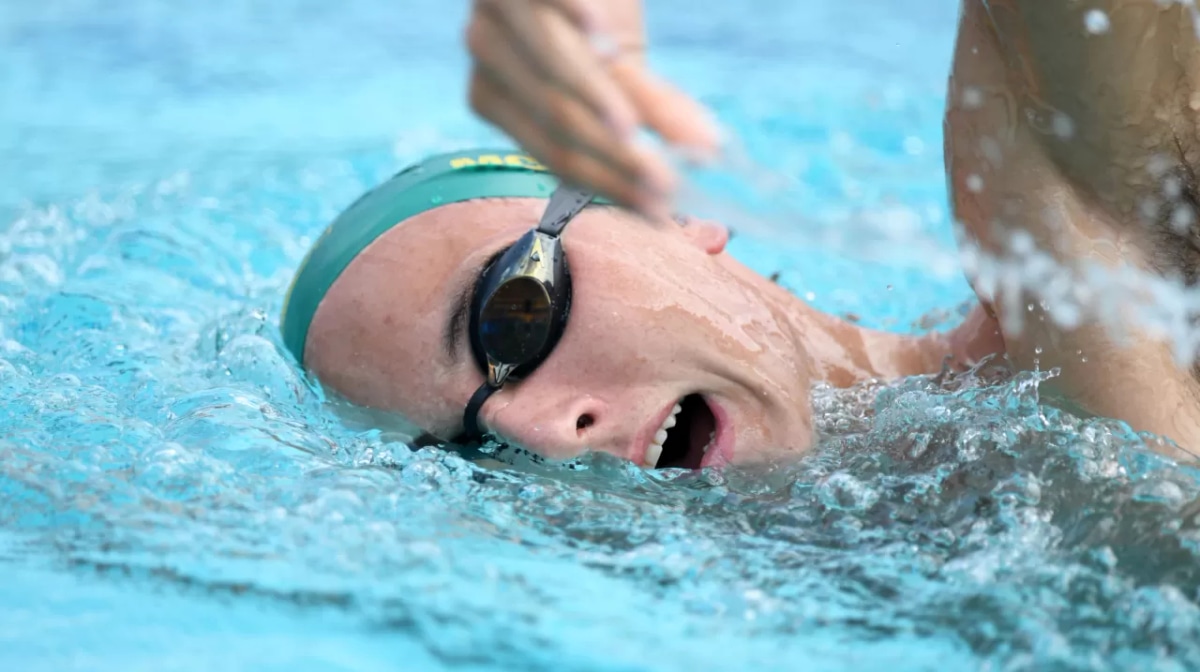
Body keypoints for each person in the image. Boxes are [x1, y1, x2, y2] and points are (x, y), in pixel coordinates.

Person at [281, 0, 1200, 468]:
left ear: (659, 218)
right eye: (469, 456)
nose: (541, 434)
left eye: (513, 317)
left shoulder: (1093, 300)